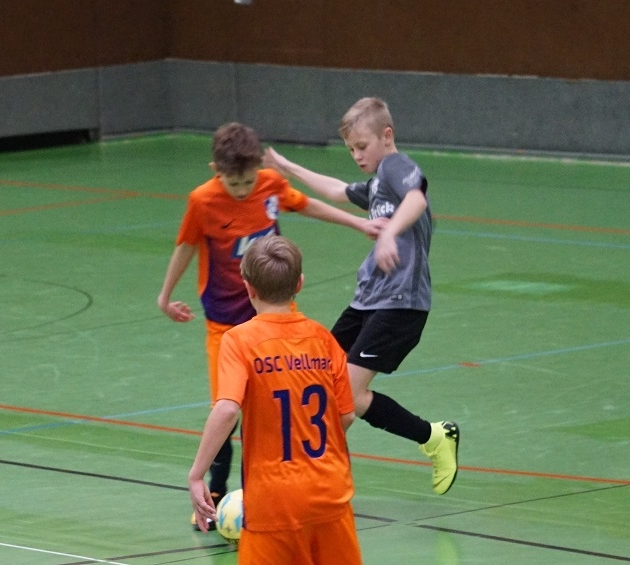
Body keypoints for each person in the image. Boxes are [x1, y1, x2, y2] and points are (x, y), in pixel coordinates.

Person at [159, 122, 380, 529]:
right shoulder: (202, 201)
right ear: (216, 170)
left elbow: (308, 205)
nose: (243, 190)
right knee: (226, 408)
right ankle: (215, 494)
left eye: (248, 181)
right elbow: (186, 245)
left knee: (273, 410)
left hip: (274, 319)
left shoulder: (271, 185)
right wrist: (165, 295)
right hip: (225, 326)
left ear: (258, 169)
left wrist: (358, 223)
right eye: (234, 183)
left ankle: (269, 491)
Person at [264, 97, 460, 494]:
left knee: (348, 397)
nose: (356, 156)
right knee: (323, 376)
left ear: (387, 136)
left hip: (400, 305)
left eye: (361, 146)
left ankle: (315, 477)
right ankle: (430, 436)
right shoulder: (377, 184)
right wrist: (288, 167)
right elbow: (337, 190)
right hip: (367, 301)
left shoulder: (395, 166)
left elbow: (417, 198)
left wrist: (389, 234)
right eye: (350, 149)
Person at [188, 235, 362, 564]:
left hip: (273, 503)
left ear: (248, 288)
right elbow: (347, 415)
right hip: (330, 494)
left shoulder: (239, 341)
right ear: (300, 284)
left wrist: (197, 474)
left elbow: (227, 409)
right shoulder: (324, 339)